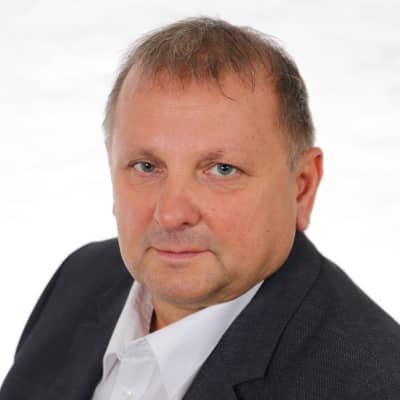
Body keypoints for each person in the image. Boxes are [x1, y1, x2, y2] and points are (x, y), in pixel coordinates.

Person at [1, 16, 399, 400]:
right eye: (146, 166)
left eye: (222, 169)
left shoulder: (375, 384)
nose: (171, 214)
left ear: (302, 187)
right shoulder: (81, 277)